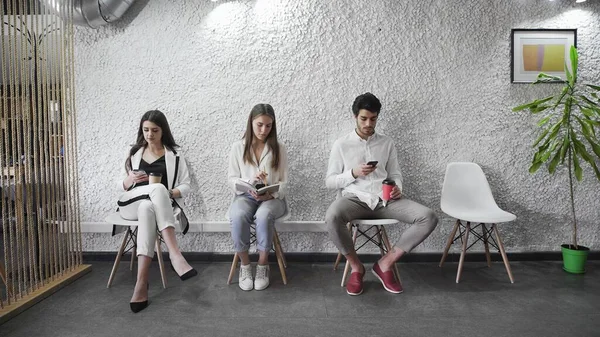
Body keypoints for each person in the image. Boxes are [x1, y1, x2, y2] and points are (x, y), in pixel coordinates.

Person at [325, 93, 438, 296]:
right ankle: (356, 267)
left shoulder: (387, 143)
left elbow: (395, 174)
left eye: (373, 119)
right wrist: (353, 173)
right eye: (364, 118)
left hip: (384, 200)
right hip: (355, 198)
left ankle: (385, 263)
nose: (369, 123)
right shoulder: (341, 144)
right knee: (332, 216)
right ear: (355, 117)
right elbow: (330, 181)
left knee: (428, 217)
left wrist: (398, 187)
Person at [116, 110, 197, 313]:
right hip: (129, 202)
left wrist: (170, 192)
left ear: (163, 131)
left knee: (148, 207)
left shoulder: (175, 155)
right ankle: (175, 254)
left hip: (153, 206)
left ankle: (141, 284)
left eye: (154, 130)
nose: (149, 134)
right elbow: (121, 185)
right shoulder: (134, 153)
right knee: (155, 191)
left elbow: (186, 185)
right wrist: (131, 179)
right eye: (146, 130)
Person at [227, 103, 288, 291]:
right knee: (237, 215)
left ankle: (263, 266)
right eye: (260, 125)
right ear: (251, 123)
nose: (264, 130)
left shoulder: (279, 148)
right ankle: (245, 266)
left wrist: (271, 194)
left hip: (272, 199)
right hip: (245, 196)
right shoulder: (238, 147)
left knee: (263, 216)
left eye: (268, 126)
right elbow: (231, 179)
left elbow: (285, 181)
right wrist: (249, 180)